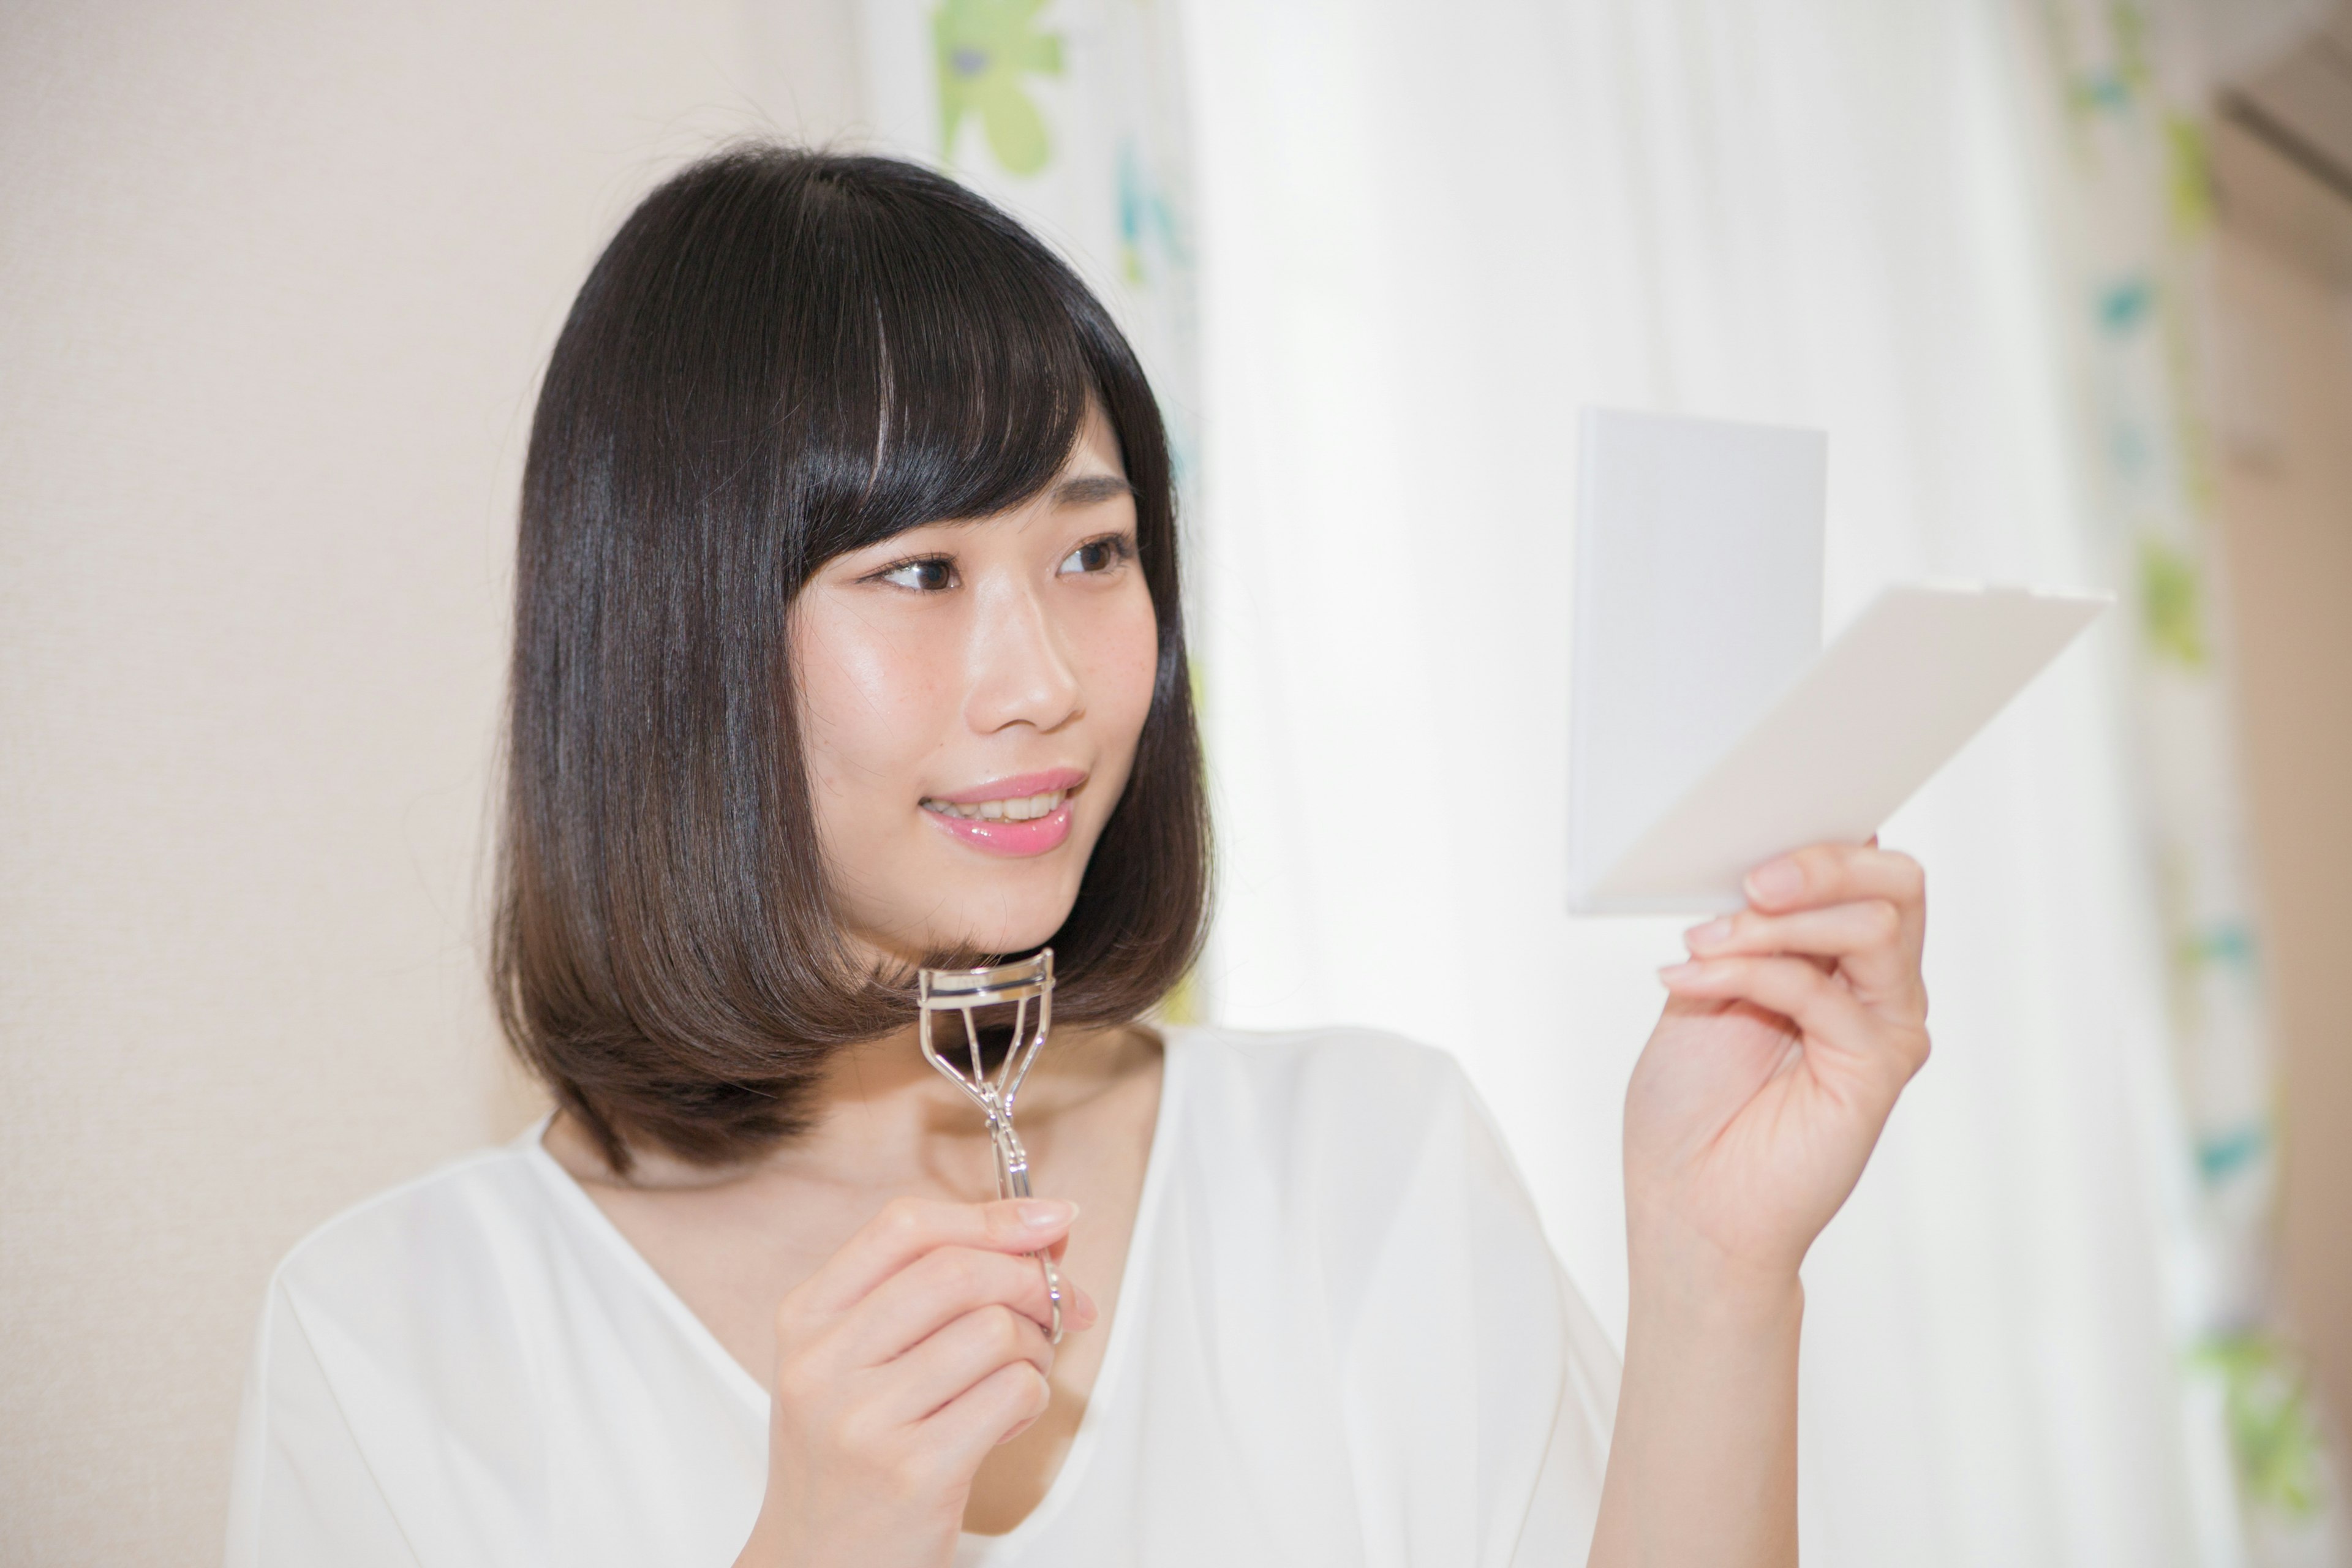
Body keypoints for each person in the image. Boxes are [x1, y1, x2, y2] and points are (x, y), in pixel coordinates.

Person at [224, 145, 1931, 1568]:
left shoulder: (1367, 1162)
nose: (1046, 684)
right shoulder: (400, 1339)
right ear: (673, 638)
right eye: (921, 575)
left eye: (1094, 552)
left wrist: (1719, 1273)